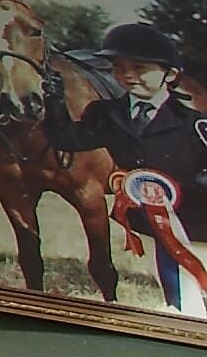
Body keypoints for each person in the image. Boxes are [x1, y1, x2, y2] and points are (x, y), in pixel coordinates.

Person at [76, 23, 207, 313]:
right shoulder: (108, 115)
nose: (127, 75)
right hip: (149, 220)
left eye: (139, 67)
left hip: (199, 222)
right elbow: (67, 139)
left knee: (195, 284)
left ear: (170, 75)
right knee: (179, 298)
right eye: (118, 67)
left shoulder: (194, 123)